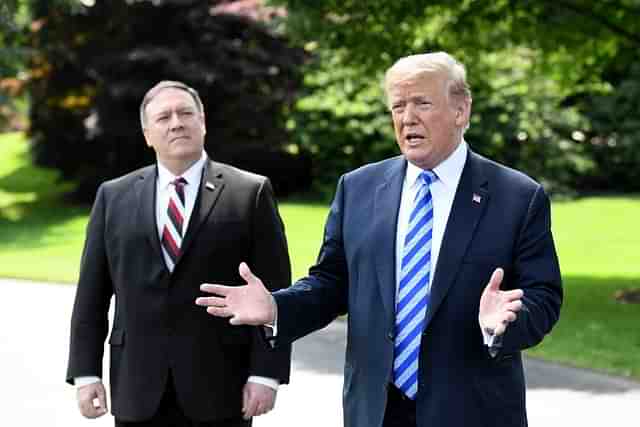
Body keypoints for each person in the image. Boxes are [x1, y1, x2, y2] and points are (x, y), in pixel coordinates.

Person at [197, 52, 563, 427]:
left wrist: (504, 322)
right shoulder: (358, 188)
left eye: (422, 103)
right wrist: (277, 308)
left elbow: (544, 296)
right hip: (375, 410)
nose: (407, 118)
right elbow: (331, 283)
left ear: (461, 110)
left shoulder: (516, 196)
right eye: (398, 106)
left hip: (474, 410)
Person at [66, 80, 292, 427]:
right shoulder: (113, 197)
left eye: (186, 113)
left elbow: (274, 292)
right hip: (137, 389)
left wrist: (266, 374)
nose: (176, 123)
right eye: (163, 117)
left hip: (222, 388)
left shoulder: (250, 192)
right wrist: (85, 373)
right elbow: (92, 295)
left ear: (202, 121)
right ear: (147, 134)